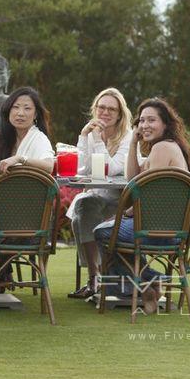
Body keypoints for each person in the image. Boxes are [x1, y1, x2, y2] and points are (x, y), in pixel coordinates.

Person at [93, 97, 190, 314]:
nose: (145, 125)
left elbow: (150, 195)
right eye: (141, 121)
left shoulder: (162, 148)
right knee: (111, 230)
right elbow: (132, 177)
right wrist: (132, 143)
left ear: (165, 124)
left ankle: (150, 280)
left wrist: (124, 214)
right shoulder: (162, 147)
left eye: (152, 120)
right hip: (168, 227)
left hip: (161, 229)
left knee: (103, 232)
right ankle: (145, 286)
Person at [66, 88, 134, 299]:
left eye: (111, 109)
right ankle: (97, 275)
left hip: (120, 202)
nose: (105, 112)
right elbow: (81, 169)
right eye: (101, 107)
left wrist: (96, 140)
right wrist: (84, 136)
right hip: (96, 199)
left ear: (120, 114)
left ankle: (96, 277)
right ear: (95, 109)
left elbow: (111, 168)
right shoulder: (91, 132)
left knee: (82, 210)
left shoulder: (129, 137)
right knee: (83, 206)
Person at [0, 87, 55, 173]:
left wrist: (20, 159)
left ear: (35, 114)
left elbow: (49, 166)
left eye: (27, 108)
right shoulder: (6, 138)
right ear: (8, 111)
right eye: (16, 107)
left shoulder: (39, 138)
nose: (20, 113)